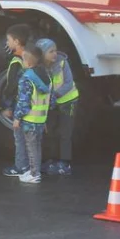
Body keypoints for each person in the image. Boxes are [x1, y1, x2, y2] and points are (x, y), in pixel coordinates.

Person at [5, 45, 51, 184]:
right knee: (37, 146)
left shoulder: (26, 78)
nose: (23, 63)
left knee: (31, 148)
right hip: (41, 119)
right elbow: (51, 99)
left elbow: (24, 101)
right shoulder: (46, 76)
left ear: (29, 63)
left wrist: (17, 118)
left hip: (29, 119)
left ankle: (34, 173)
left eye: (23, 60)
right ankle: (33, 171)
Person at [36, 38, 79, 176]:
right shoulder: (40, 67)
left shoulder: (62, 62)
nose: (54, 54)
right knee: (51, 132)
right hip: (53, 103)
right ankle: (51, 160)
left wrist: (55, 95)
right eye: (50, 51)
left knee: (65, 133)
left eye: (55, 50)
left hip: (68, 101)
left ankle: (65, 163)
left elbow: (68, 82)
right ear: (42, 54)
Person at [1, 24, 31, 119]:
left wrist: (6, 94)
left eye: (8, 40)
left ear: (16, 42)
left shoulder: (15, 62)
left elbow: (12, 83)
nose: (7, 43)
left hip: (15, 97)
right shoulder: (28, 56)